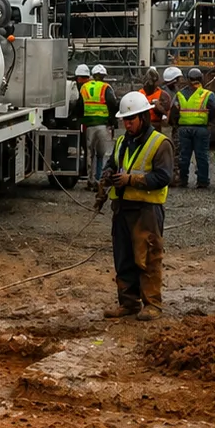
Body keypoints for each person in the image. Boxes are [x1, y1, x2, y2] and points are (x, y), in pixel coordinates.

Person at [97, 90, 173, 321]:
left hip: (146, 210)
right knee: (124, 257)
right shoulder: (122, 142)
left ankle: (152, 304)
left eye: (131, 119)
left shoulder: (160, 143)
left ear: (143, 117)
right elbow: (112, 164)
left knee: (148, 257)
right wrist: (107, 175)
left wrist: (131, 180)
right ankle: (128, 303)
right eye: (124, 120)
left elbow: (163, 177)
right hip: (122, 209)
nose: (127, 124)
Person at [74, 63, 118, 187]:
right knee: (102, 154)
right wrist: (113, 122)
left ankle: (91, 180)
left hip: (89, 126)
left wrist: (79, 119)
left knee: (90, 154)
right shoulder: (106, 87)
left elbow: (79, 105)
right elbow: (113, 104)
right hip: (103, 125)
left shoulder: (84, 87)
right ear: (104, 76)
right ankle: (100, 180)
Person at [171, 67, 215, 189]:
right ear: (201, 78)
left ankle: (182, 180)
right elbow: (213, 110)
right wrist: (208, 122)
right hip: (201, 128)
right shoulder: (208, 94)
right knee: (202, 156)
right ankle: (203, 181)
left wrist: (176, 125)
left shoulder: (180, 95)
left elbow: (174, 112)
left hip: (183, 128)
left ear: (188, 79)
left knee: (183, 156)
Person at [162, 66, 184, 185]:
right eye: (179, 79)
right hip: (169, 127)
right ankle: (172, 176)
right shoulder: (168, 94)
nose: (181, 81)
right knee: (173, 152)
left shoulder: (168, 92)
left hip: (170, 126)